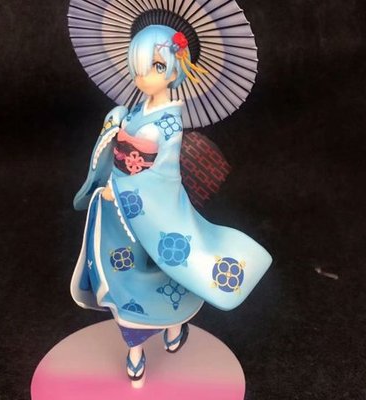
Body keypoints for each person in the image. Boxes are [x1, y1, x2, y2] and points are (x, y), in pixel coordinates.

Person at [70, 24, 272, 386]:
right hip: (120, 211)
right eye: (138, 66)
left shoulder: (168, 125)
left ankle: (168, 328)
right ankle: (143, 344)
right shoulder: (139, 109)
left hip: (150, 209)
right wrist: (116, 124)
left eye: (157, 66)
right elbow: (122, 153)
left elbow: (158, 177)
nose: (144, 76)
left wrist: (120, 187)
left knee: (167, 270)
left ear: (175, 70)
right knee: (119, 272)